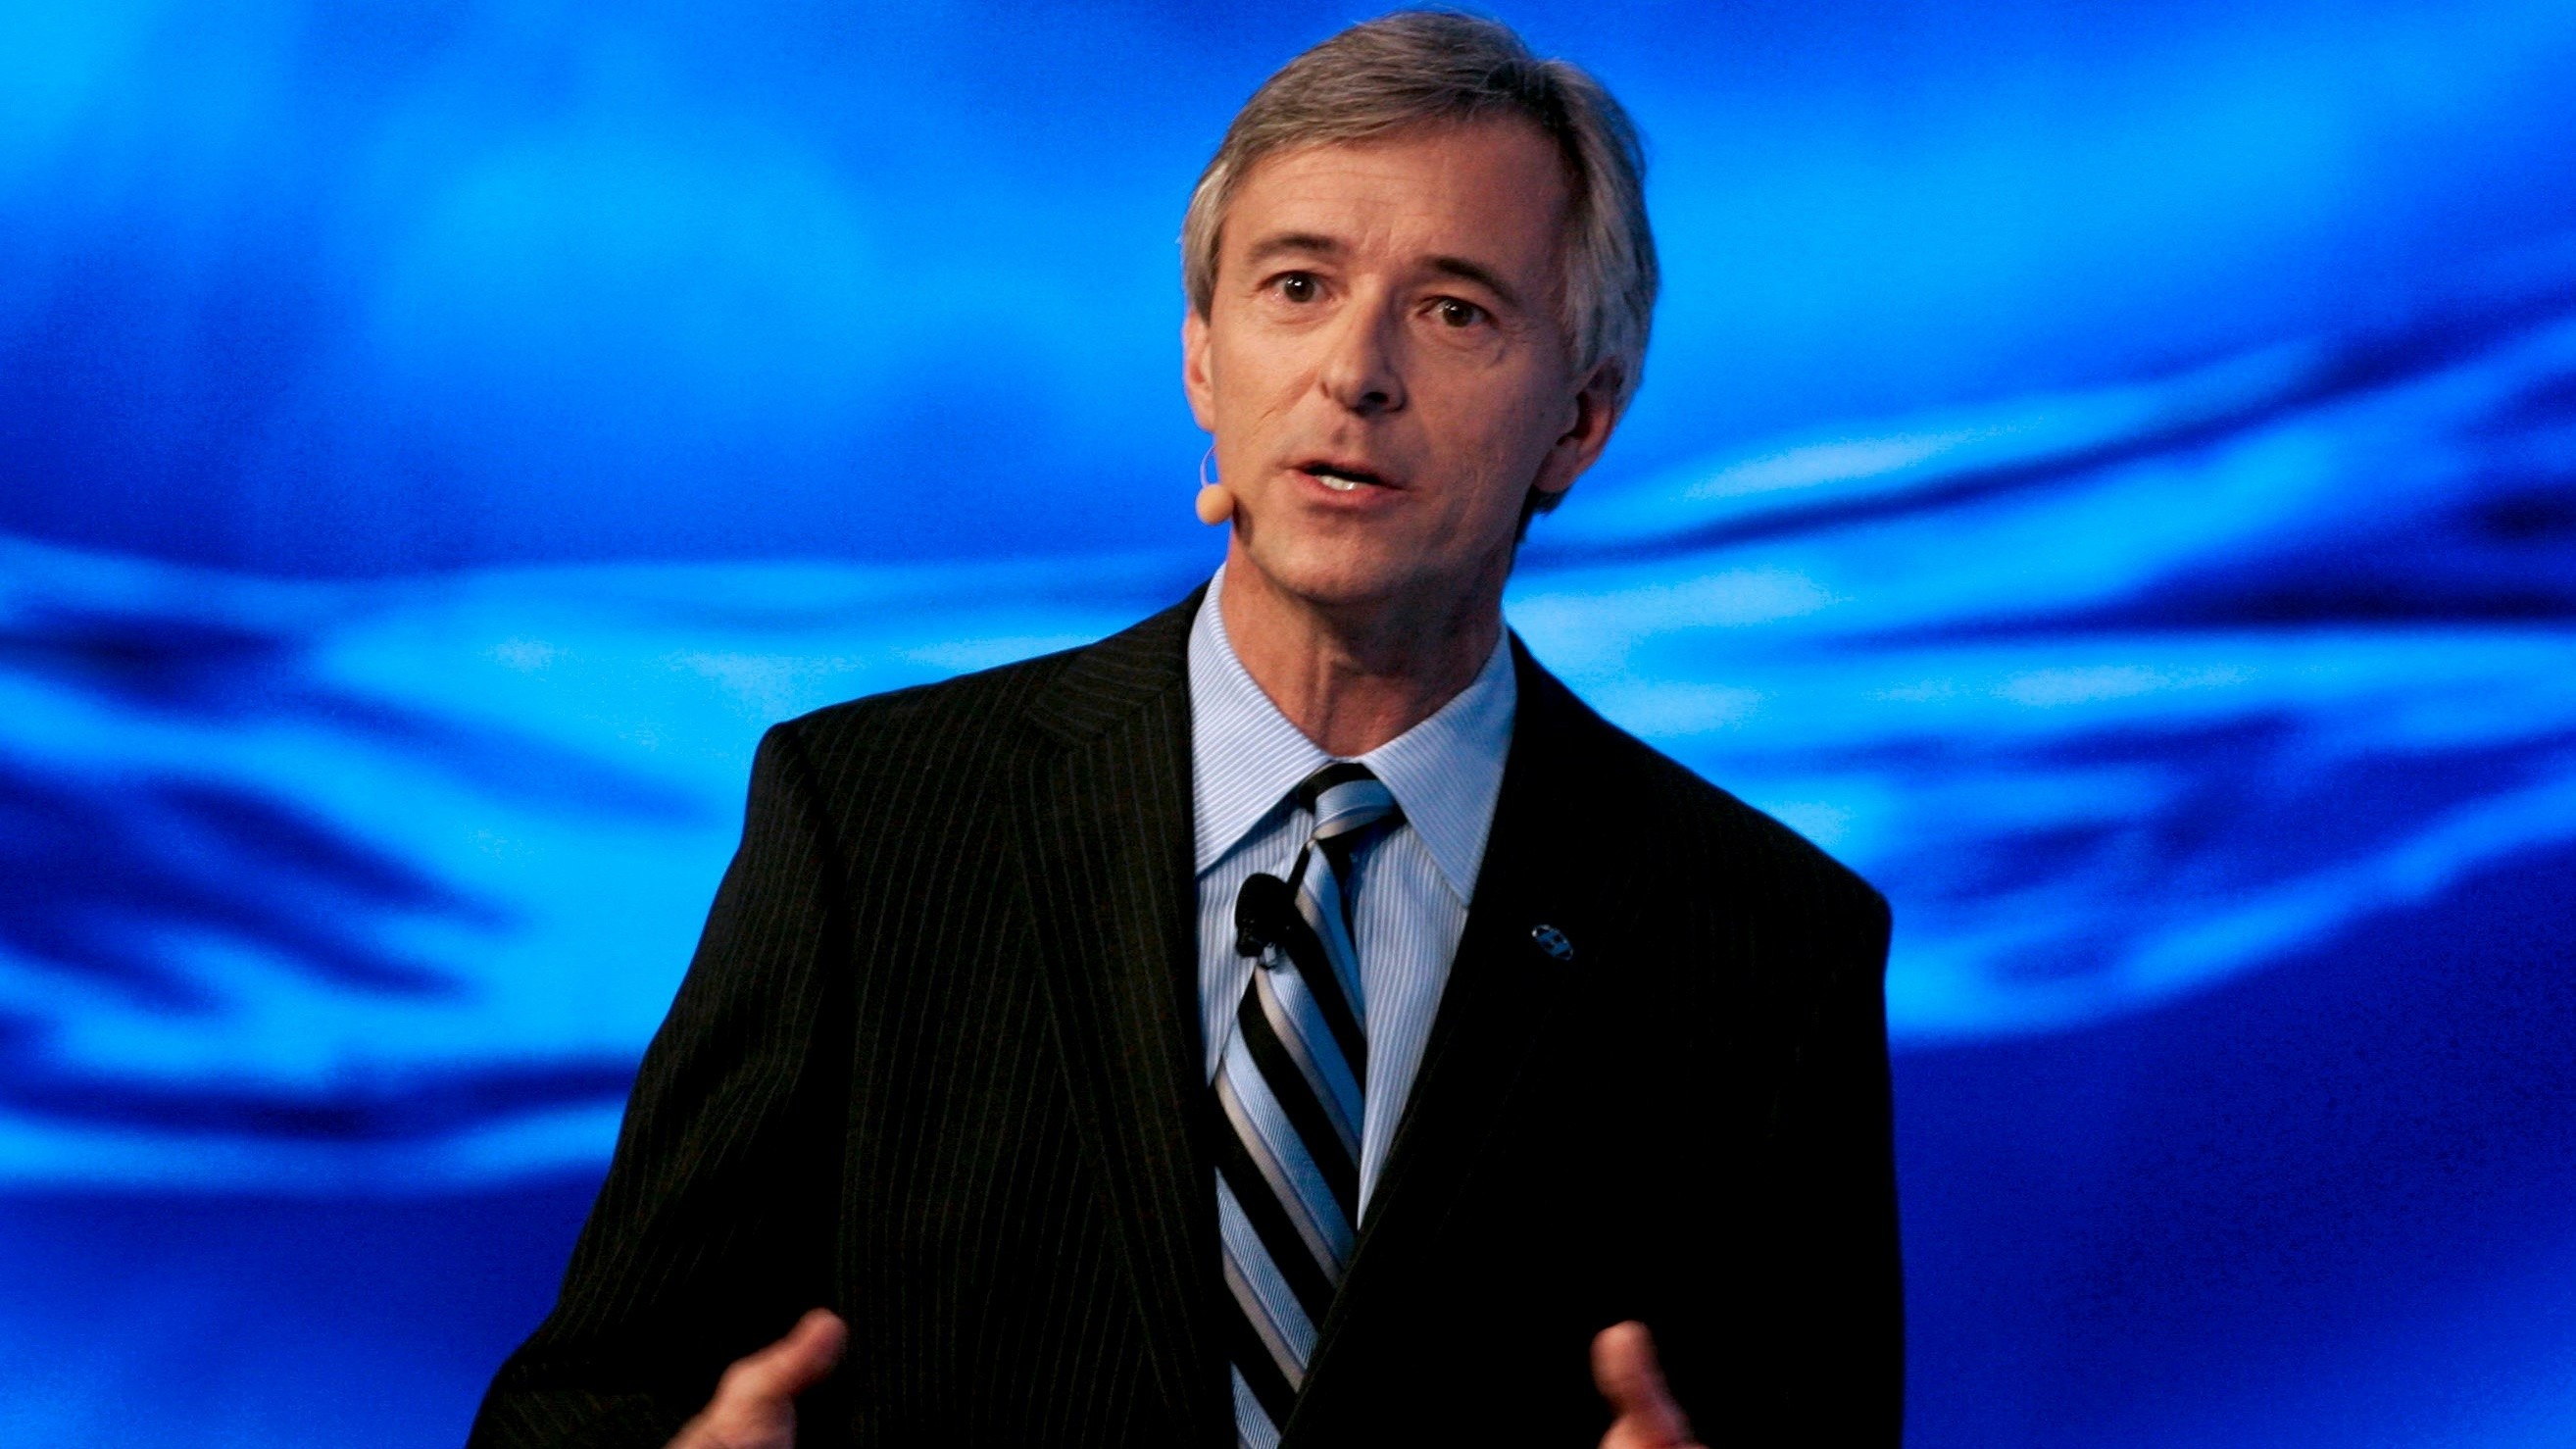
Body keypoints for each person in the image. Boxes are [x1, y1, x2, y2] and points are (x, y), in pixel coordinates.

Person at [469, 13, 1900, 1448]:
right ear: (1206, 362)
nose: (1356, 371)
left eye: (1455, 310)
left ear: (1582, 420)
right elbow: (575, 1408)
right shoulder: (874, 823)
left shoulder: (1766, 947)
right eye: (1298, 286)